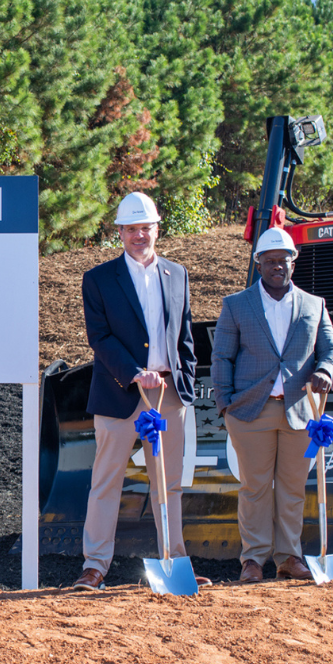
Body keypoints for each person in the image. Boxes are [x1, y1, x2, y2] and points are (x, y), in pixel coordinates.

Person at [73, 191, 200, 590]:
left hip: (168, 394)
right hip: (119, 394)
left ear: (157, 229)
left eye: (146, 228)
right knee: (106, 482)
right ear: (120, 233)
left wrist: (184, 377)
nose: (139, 236)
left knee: (169, 483)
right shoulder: (98, 279)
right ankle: (95, 567)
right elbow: (100, 337)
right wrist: (134, 373)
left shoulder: (177, 274)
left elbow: (185, 334)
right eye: (131, 229)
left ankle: (174, 563)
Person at [211, 227, 333, 583]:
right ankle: (253, 559)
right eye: (269, 261)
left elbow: (332, 349)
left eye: (283, 260)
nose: (277, 267)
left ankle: (288, 557)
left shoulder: (314, 305)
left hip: (300, 412)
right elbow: (221, 357)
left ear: (293, 263)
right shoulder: (237, 304)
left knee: (292, 489)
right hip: (251, 411)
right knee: (254, 488)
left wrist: (325, 370)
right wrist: (225, 405)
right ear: (258, 265)